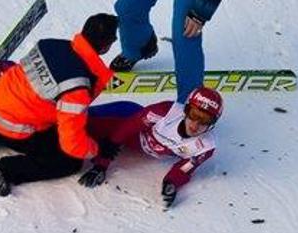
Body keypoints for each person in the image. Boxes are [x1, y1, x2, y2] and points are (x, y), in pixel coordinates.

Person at [0, 13, 121, 197]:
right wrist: (96, 148)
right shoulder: (76, 87)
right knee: (68, 160)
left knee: (15, 116)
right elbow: (72, 144)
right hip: (16, 126)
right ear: (107, 45)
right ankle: (4, 170)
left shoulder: (51, 45)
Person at [79, 87, 224, 208]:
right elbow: (126, 129)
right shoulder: (164, 112)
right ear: (186, 110)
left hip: (136, 142)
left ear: (213, 123)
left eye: (204, 120)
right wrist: (101, 164)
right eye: (193, 114)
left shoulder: (205, 147)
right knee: (79, 120)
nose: (195, 124)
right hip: (126, 115)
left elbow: (184, 168)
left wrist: (171, 183)